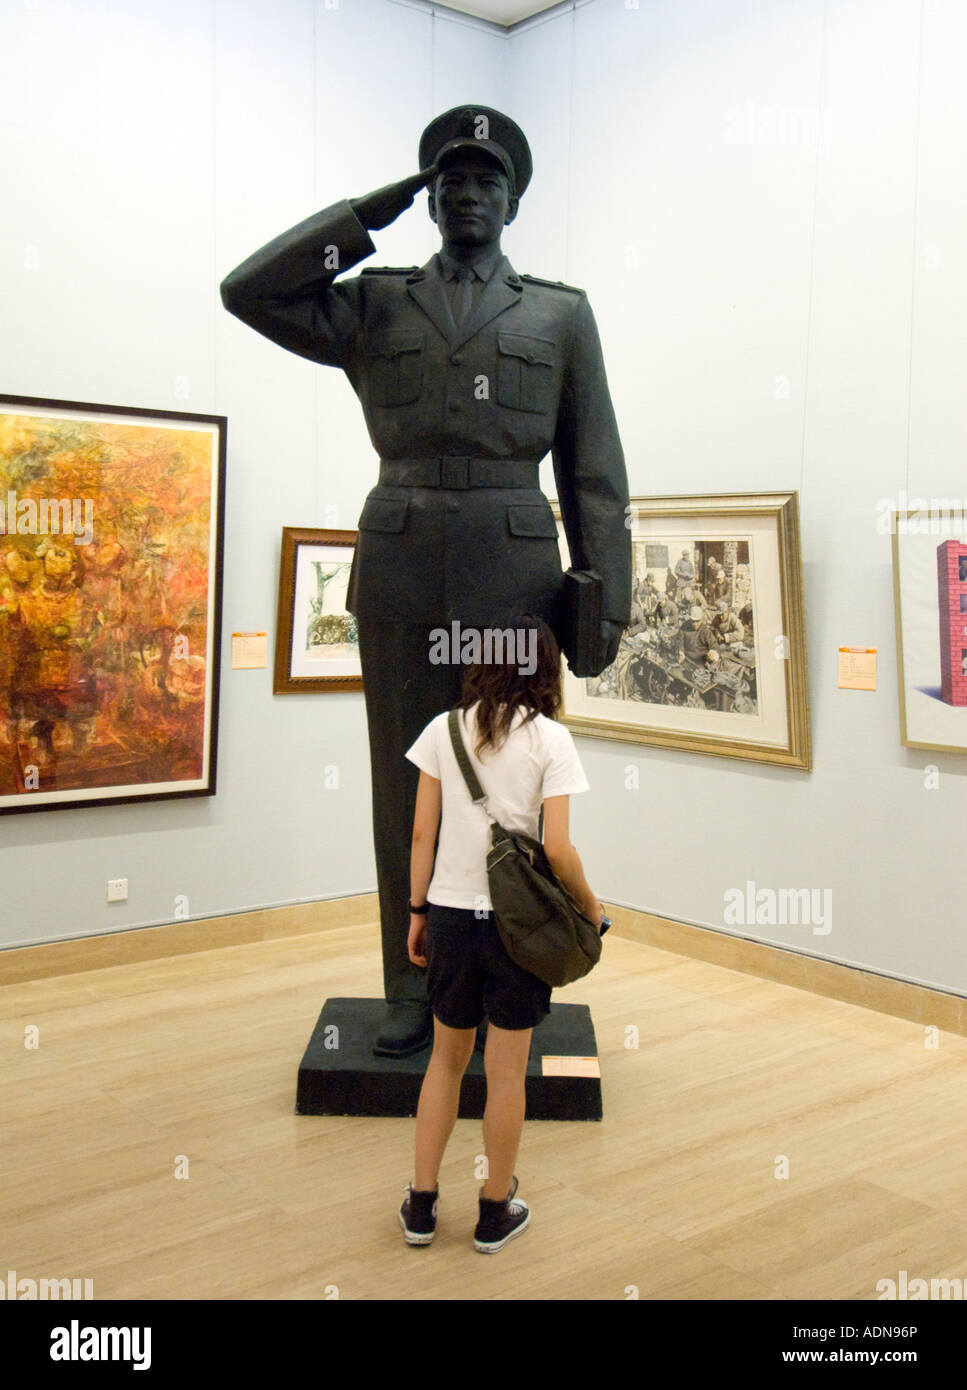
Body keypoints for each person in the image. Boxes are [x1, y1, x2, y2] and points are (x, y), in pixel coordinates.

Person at [220, 105, 630, 1057]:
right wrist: (365, 214)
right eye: (448, 180)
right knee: (402, 783)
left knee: (513, 778)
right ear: (427, 195)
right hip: (402, 566)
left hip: (514, 573)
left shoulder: (557, 313)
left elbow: (594, 469)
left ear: (513, 200)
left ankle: (511, 973)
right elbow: (250, 290)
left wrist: (600, 593)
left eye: (486, 181)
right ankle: (411, 984)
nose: (466, 194)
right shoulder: (374, 300)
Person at [398, 614, 608, 1253]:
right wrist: (593, 912)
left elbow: (419, 836)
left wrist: (416, 912)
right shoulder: (551, 740)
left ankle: (422, 1205)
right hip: (521, 931)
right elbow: (561, 850)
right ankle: (494, 1210)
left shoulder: (442, 730)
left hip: (452, 920)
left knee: (446, 1061)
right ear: (544, 666)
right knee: (508, 1074)